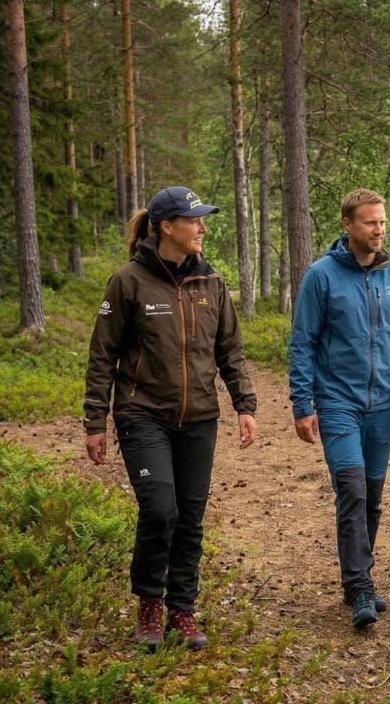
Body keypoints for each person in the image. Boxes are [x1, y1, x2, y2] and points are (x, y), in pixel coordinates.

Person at [83, 186, 258, 651]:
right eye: (194, 219)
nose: (202, 227)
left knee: (191, 518)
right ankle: (149, 606)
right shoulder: (128, 281)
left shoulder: (212, 283)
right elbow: (103, 356)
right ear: (166, 227)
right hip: (143, 415)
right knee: (161, 510)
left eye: (203, 219)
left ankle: (182, 610)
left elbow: (230, 351)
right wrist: (95, 420)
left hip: (200, 417)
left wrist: (245, 405)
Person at [288, 188, 390, 630]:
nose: (379, 230)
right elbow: (303, 342)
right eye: (370, 223)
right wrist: (301, 402)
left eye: (382, 222)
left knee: (373, 497)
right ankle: (361, 586)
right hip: (337, 403)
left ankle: (354, 580)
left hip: (381, 405)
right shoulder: (321, 276)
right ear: (348, 225)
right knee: (352, 489)